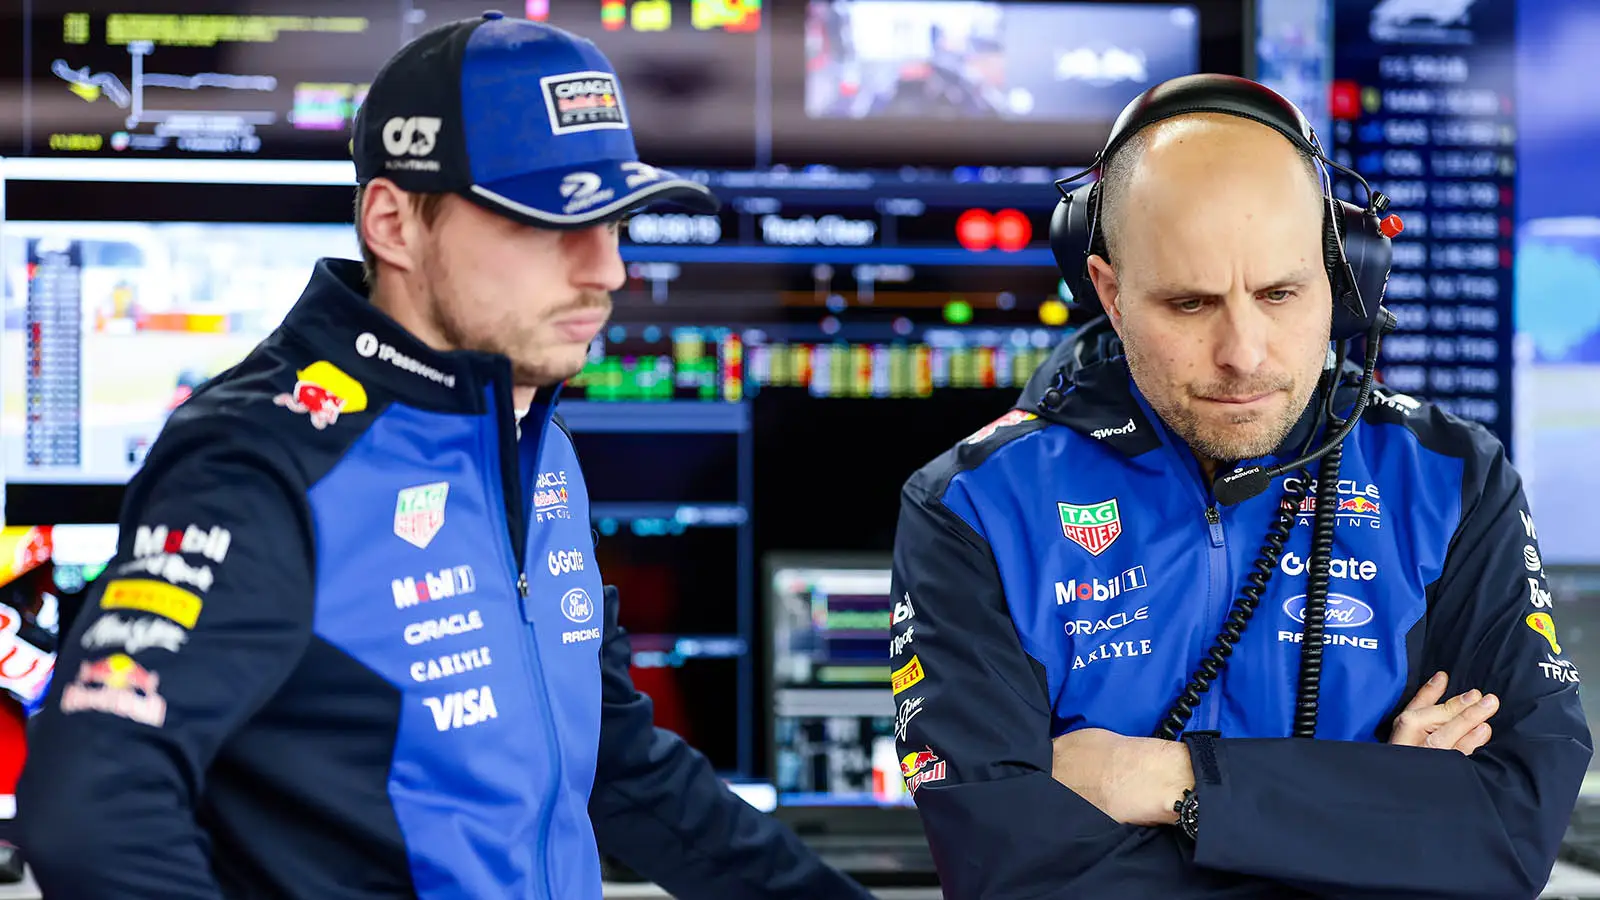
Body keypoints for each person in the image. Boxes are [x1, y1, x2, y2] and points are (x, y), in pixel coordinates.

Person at [16, 14, 873, 900]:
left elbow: (617, 766)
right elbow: (93, 808)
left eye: (616, 220)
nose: (606, 270)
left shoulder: (535, 445)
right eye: (551, 223)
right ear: (394, 223)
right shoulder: (261, 456)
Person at [887, 74, 1591, 899]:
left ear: (1344, 277)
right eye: (1190, 304)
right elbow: (1010, 872)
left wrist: (1174, 783)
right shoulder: (972, 510)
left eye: (1281, 293)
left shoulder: (1454, 479)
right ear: (1111, 294)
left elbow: (1510, 833)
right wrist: (1379, 808)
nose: (1245, 353)